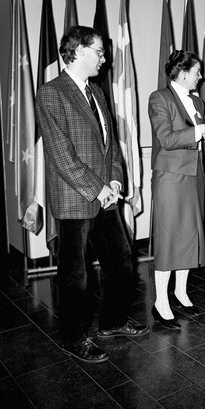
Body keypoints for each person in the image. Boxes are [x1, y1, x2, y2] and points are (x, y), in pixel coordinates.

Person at [35, 25, 148, 364]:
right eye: (99, 50)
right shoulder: (51, 92)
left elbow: (110, 144)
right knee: (76, 274)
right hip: (76, 198)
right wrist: (96, 187)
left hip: (105, 196)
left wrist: (113, 182)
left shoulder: (96, 92)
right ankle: (74, 337)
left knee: (122, 259)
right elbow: (61, 154)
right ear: (79, 51)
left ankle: (112, 322)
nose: (104, 57)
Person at [148, 50, 205, 329]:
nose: (201, 77)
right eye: (197, 72)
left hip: (195, 176)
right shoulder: (160, 98)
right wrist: (199, 132)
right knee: (169, 237)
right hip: (170, 177)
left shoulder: (197, 100)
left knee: (190, 236)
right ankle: (160, 302)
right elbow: (166, 138)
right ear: (183, 73)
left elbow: (203, 139)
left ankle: (180, 292)